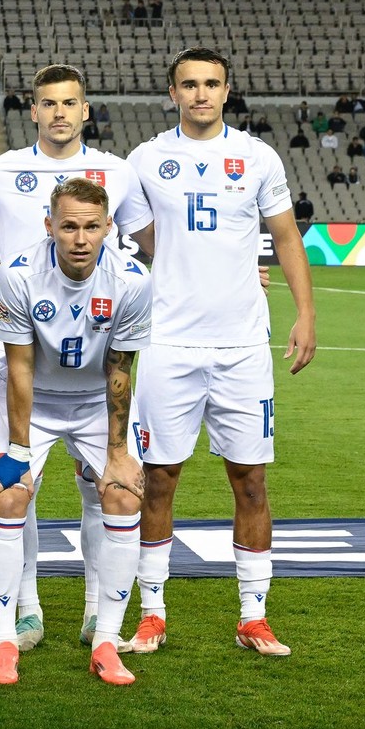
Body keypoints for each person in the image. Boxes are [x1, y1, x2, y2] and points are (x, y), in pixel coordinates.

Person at [0, 63, 154, 655]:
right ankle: (27, 606)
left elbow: (149, 245)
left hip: (95, 351)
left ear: (85, 110)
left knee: (104, 490)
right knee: (21, 487)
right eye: (49, 103)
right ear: (33, 110)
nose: (60, 112)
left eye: (71, 102)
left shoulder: (118, 174)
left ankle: (98, 611)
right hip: (23, 350)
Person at [124, 47, 316, 658]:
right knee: (158, 480)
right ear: (172, 92)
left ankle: (253, 617)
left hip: (242, 348)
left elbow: (284, 235)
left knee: (251, 481)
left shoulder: (257, 157)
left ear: (227, 89)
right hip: (168, 344)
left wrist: (305, 314)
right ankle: (152, 614)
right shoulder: (147, 159)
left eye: (211, 84)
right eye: (189, 85)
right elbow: (145, 237)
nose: (201, 94)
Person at [0, 177, 152, 686]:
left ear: (108, 227)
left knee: (123, 496)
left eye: (91, 227)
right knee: (9, 497)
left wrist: (118, 453)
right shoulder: (18, 275)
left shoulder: (132, 279)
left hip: (96, 401)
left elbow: (121, 370)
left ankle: (105, 640)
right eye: (69, 227)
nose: (80, 239)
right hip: (30, 400)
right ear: (49, 226)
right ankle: (3, 643)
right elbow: (18, 368)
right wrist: (17, 449)